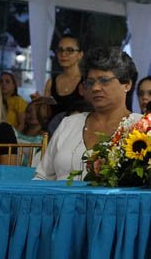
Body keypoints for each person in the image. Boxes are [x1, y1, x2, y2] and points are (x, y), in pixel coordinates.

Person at [34, 47, 141, 181]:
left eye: (104, 80)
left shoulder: (143, 128)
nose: (95, 88)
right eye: (90, 82)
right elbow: (42, 176)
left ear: (127, 84)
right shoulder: (69, 124)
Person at [43, 34, 84, 118]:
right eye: (60, 50)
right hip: (54, 125)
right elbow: (45, 115)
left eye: (70, 50)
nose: (63, 54)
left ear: (80, 55)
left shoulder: (86, 82)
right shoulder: (51, 83)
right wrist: (39, 104)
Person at [14, 97, 52, 165]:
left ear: (45, 114)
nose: (33, 114)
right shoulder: (17, 133)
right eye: (29, 111)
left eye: (37, 111)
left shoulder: (45, 137)